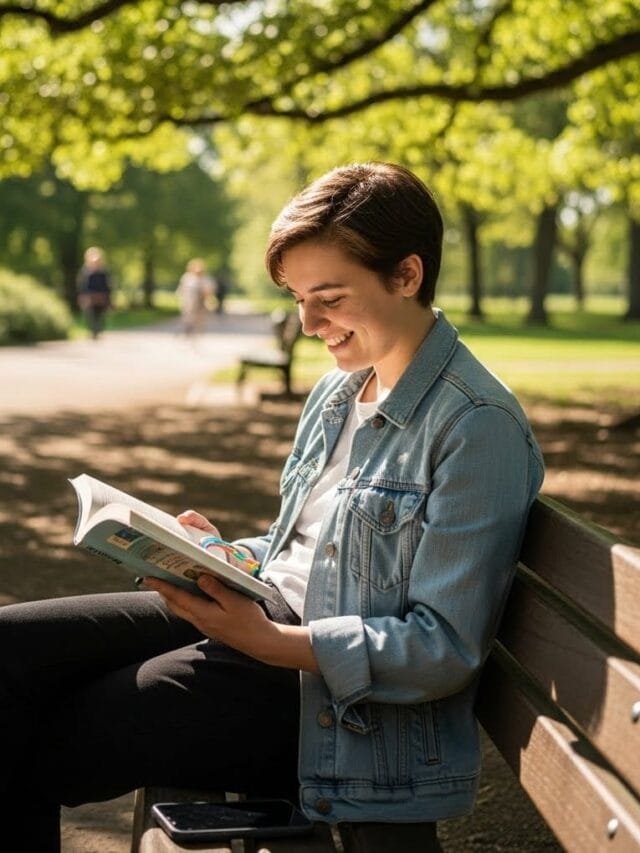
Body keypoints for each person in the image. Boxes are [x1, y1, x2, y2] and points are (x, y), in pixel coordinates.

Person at [0, 163, 544, 852]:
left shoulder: (477, 425)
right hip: (266, 621)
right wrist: (227, 554)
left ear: (407, 275)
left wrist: (270, 642)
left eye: (329, 297)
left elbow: (444, 647)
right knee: (8, 649)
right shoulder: (340, 392)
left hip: (325, 702)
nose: (308, 322)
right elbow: (314, 546)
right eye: (296, 297)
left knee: (40, 737)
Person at [76, 246, 112, 339]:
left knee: (100, 314)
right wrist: (82, 296)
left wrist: (108, 296)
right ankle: (93, 331)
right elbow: (82, 285)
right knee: (90, 314)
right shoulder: (85, 272)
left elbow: (107, 285)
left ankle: (98, 330)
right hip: (89, 296)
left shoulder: (103, 272)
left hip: (101, 296)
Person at [176, 258, 215, 336]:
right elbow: (181, 289)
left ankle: (196, 333)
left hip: (201, 303)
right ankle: (188, 331)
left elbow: (210, 290)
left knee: (199, 320)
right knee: (188, 318)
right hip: (188, 302)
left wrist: (208, 297)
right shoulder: (187, 277)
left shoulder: (206, 278)